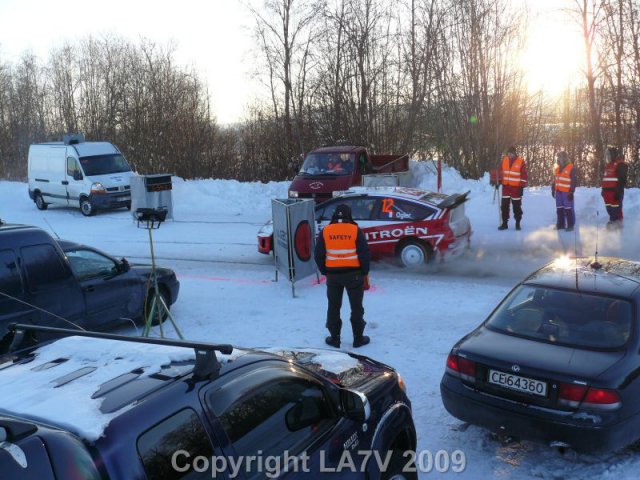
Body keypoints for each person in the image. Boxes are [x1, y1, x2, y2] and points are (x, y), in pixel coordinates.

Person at [314, 204, 370, 348]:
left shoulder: (326, 231)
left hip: (333, 276)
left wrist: (324, 271)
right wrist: (364, 272)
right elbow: (364, 254)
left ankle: (334, 338)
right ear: (349, 214)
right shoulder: (355, 230)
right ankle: (358, 338)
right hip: (354, 275)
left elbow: (318, 254)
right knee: (356, 307)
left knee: (333, 306)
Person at [498, 146, 528, 230]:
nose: (510, 155)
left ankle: (518, 223)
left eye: (511, 153)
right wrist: (498, 181)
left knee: (517, 206)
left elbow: (524, 175)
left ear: (515, 153)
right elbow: (500, 172)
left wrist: (521, 187)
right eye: (508, 153)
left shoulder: (520, 161)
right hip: (506, 187)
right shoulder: (504, 160)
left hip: (516, 188)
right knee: (504, 206)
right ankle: (504, 223)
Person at [601, 146, 628, 227]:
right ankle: (612, 223)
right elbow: (605, 179)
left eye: (609, 155)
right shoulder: (608, 165)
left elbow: (622, 180)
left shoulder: (620, 164)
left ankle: (618, 226)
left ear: (613, 155)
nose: (607, 157)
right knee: (609, 209)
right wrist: (603, 189)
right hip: (607, 193)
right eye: (607, 155)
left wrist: (618, 191)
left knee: (616, 210)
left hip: (615, 192)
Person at [551, 151, 577, 231]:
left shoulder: (571, 167)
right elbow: (554, 180)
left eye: (560, 157)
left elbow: (574, 181)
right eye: (558, 157)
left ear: (565, 158)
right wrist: (552, 189)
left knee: (568, 208)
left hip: (567, 192)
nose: (559, 159)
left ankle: (570, 225)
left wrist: (571, 192)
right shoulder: (557, 168)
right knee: (559, 208)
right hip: (558, 191)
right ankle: (560, 224)